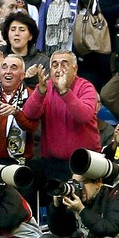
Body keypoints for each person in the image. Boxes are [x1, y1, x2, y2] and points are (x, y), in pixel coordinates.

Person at [22, 50, 100, 203]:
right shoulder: (45, 87)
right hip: (52, 162)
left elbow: (84, 115)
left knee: (69, 206)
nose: (59, 70)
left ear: (75, 69)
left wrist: (65, 91)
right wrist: (40, 92)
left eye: (64, 65)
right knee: (25, 178)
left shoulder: (86, 87)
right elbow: (29, 114)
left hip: (83, 163)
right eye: (54, 65)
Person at [0, 11, 49, 89]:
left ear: (30, 36)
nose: (17, 33)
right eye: (13, 29)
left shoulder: (41, 61)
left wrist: (30, 80)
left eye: (22, 30)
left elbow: (46, 92)